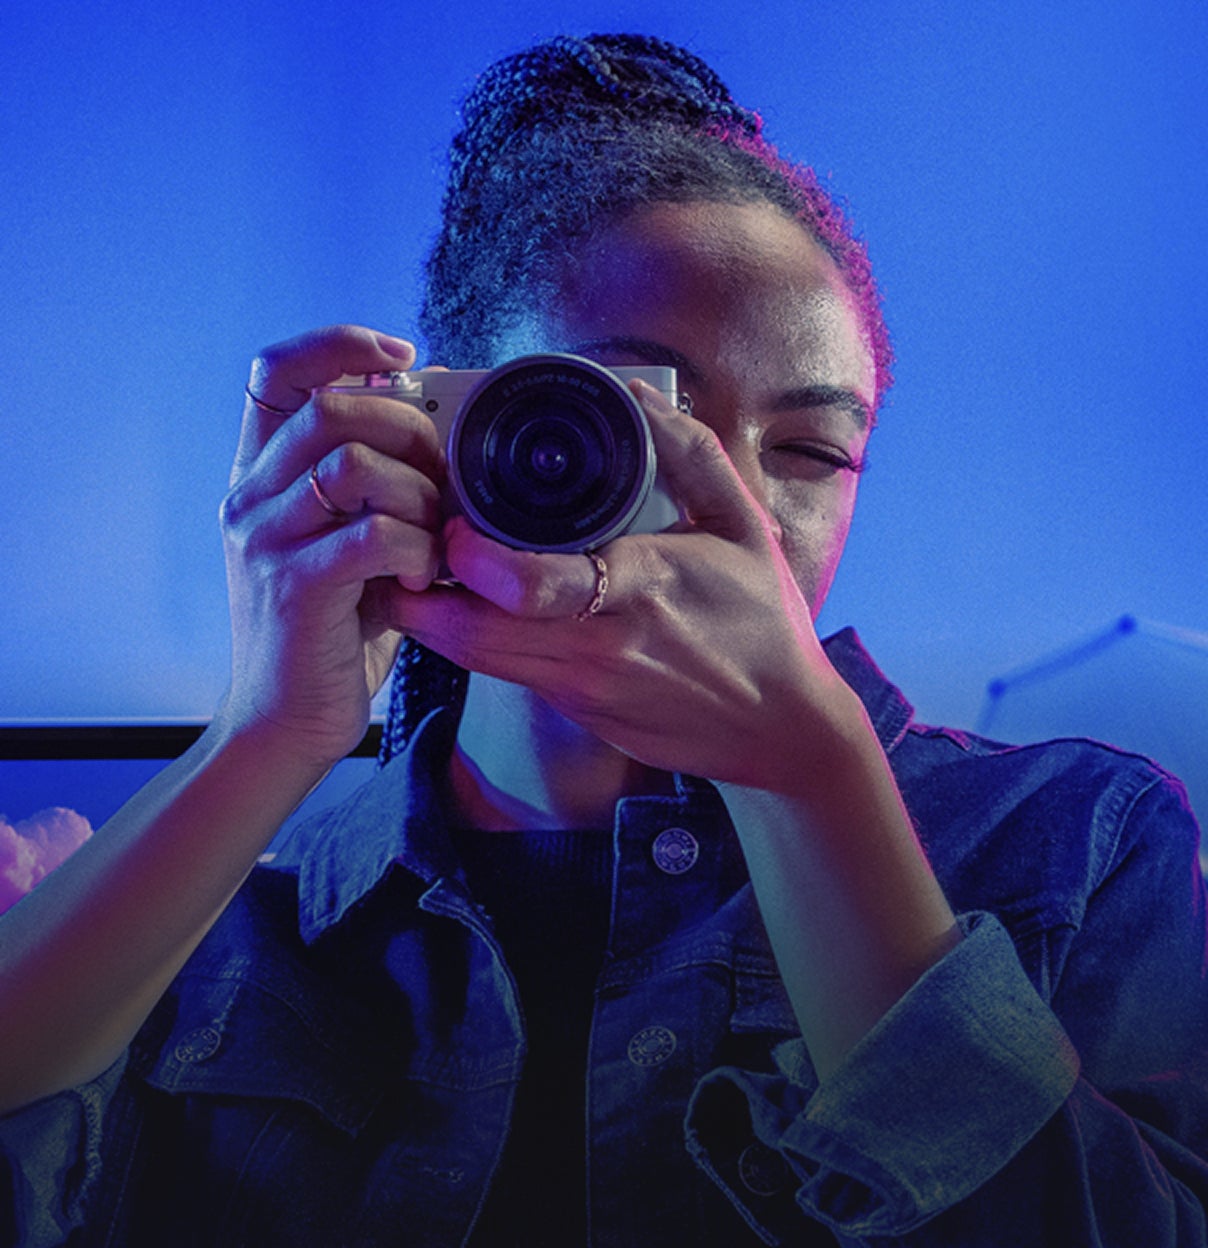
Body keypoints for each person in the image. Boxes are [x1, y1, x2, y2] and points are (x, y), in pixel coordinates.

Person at [2, 32, 1206, 1248]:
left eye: (808, 453)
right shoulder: (219, 913)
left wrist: (809, 782)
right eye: (625, 416)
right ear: (444, 434)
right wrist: (265, 735)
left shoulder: (1074, 846)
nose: (725, 502)